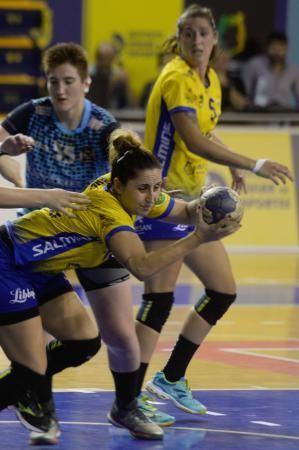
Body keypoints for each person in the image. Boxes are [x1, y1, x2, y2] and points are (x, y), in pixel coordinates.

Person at [0, 128, 240, 444]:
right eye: (144, 189)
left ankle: (32, 387)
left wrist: (205, 205)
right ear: (119, 186)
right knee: (31, 370)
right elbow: (140, 267)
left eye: (157, 188)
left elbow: (181, 209)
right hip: (9, 262)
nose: (152, 197)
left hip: (41, 268)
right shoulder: (110, 211)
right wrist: (197, 238)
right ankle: (26, 387)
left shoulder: (131, 191)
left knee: (84, 342)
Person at [133, 3, 293, 419]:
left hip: (192, 201)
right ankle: (129, 394)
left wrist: (231, 162)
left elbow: (206, 131)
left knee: (222, 290)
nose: (198, 41)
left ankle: (170, 378)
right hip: (162, 200)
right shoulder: (176, 78)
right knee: (159, 300)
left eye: (204, 33)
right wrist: (253, 162)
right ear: (180, 39)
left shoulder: (210, 81)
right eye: (190, 34)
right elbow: (189, 136)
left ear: (215, 38)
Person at [0, 42, 172, 428]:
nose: (61, 90)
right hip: (44, 233)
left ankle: (126, 405)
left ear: (86, 83)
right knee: (36, 339)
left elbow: (122, 147)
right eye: (53, 81)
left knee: (117, 336)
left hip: (100, 234)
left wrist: (130, 151)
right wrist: (7, 158)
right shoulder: (33, 112)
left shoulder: (101, 123)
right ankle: (37, 403)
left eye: (69, 82)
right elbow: (1, 147)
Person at [242, 31, 299, 111]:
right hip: (258, 114)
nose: (277, 53)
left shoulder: (293, 71)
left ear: (286, 49)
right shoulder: (254, 65)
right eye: (274, 48)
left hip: (284, 114)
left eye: (281, 49)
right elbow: (244, 93)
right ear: (266, 48)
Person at [87, 42, 134, 109]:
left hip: (114, 112)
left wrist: (127, 84)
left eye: (110, 57)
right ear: (97, 58)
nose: (108, 61)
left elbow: (130, 104)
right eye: (105, 57)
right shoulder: (88, 73)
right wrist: (110, 83)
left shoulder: (117, 74)